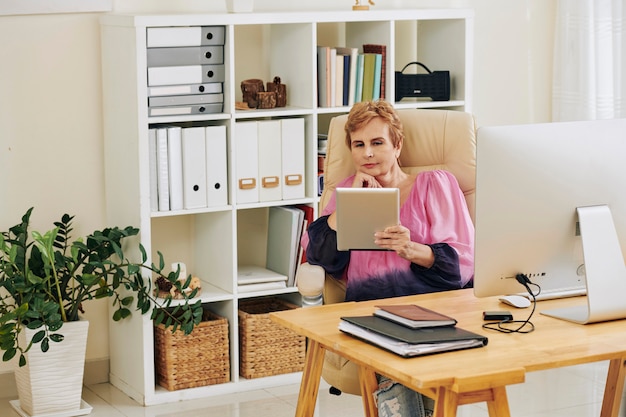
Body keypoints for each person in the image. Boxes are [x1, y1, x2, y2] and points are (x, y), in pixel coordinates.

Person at [301, 100, 475, 417]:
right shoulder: (345, 192)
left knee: (405, 352)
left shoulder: (435, 184)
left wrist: (413, 250)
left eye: (377, 142)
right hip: (371, 313)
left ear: (397, 146)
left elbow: (463, 266)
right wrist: (349, 202)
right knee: (399, 350)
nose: (367, 153)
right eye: (359, 145)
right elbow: (318, 255)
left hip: (433, 310)